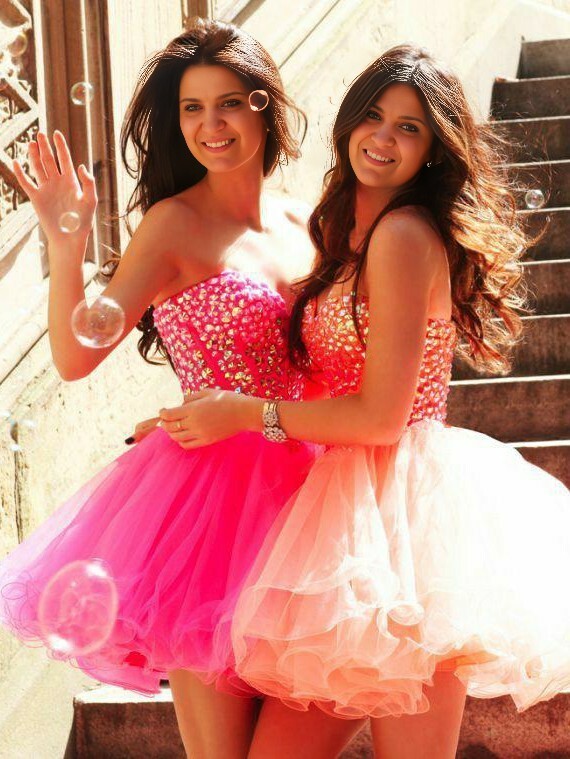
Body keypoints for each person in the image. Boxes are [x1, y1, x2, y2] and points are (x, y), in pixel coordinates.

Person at [163, 44, 570, 758]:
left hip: (407, 527)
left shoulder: (404, 236)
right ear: (349, 122)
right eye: (374, 117)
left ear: (433, 149)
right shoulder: (346, 234)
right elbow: (324, 379)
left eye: (409, 128)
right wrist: (196, 416)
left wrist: (245, 414)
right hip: (349, 515)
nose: (383, 138)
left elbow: (382, 417)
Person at [0, 19, 366, 759]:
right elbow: (75, 356)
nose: (210, 125)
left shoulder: (308, 223)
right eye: (192, 108)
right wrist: (68, 245)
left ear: (264, 105)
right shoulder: (171, 225)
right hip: (210, 511)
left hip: (316, 499)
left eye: (228, 102)